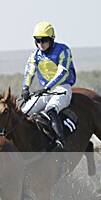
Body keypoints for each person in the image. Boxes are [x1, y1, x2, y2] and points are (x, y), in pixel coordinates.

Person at [20, 21, 76, 152]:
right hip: (45, 91)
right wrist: (25, 88)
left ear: (51, 39)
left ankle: (60, 142)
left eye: (44, 40)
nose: (41, 44)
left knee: (51, 110)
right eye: (37, 40)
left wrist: (48, 87)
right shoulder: (35, 55)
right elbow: (29, 72)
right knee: (23, 113)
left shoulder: (63, 50)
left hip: (62, 88)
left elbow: (62, 72)